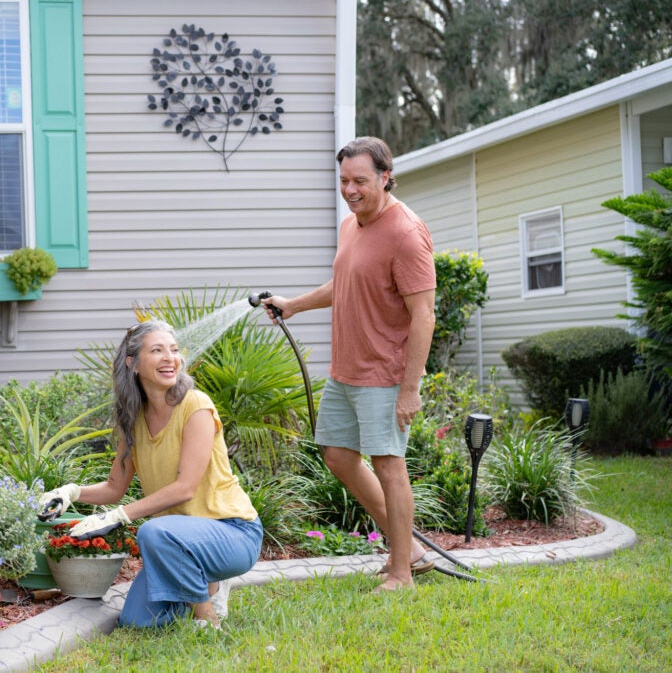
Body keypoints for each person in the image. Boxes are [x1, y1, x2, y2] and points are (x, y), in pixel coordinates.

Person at [262, 136, 437, 592]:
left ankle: (401, 573)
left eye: (360, 180)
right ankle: (410, 550)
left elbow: (424, 315)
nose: (350, 189)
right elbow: (344, 283)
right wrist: (294, 305)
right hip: (347, 369)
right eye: (344, 180)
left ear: (385, 176)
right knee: (338, 456)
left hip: (385, 373)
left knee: (389, 466)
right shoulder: (351, 225)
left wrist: (410, 387)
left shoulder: (406, 233)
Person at [39, 320, 263, 627]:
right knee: (138, 621)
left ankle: (207, 617)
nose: (170, 358)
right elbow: (114, 487)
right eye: (157, 351)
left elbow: (185, 488)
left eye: (173, 350)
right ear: (132, 363)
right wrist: (71, 492)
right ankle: (201, 581)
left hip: (231, 532)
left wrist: (117, 517)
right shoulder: (132, 419)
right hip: (177, 541)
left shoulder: (196, 406)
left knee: (151, 532)